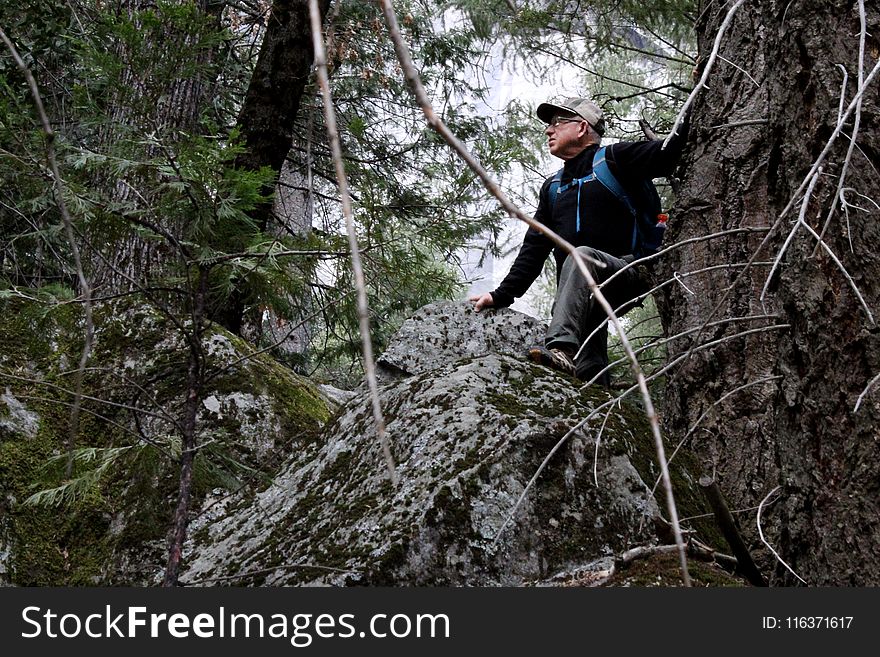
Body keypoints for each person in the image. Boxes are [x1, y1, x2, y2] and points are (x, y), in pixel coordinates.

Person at [469, 97, 689, 384]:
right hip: (581, 296)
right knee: (588, 371)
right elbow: (534, 248)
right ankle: (597, 406)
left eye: (557, 123)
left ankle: (560, 348)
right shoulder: (553, 188)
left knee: (581, 257)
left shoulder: (616, 159)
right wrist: (501, 295)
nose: (549, 130)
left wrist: (698, 96)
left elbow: (668, 153)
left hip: (629, 273)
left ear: (582, 127)